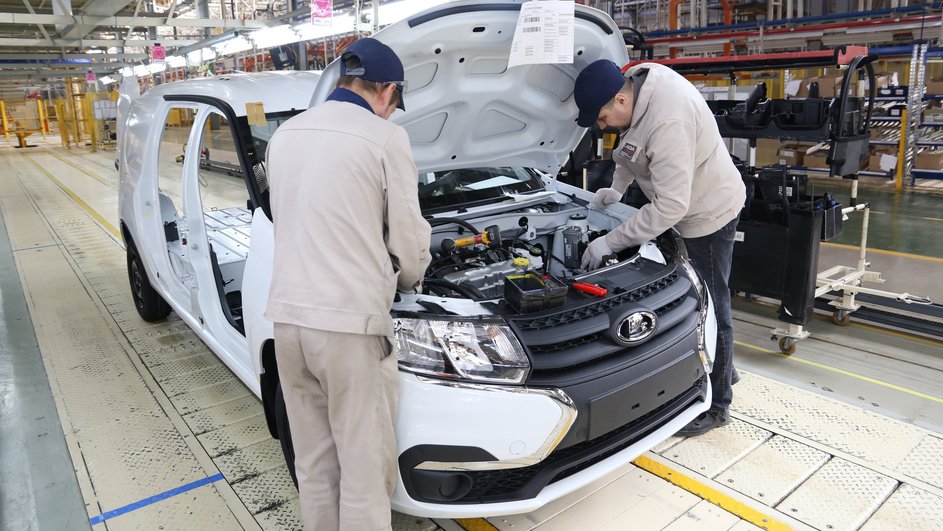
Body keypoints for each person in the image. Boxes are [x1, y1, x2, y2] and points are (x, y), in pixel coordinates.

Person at [264, 38, 432, 530]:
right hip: (348, 331)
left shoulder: (286, 134)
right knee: (364, 471)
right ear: (388, 90)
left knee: (315, 465)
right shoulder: (385, 140)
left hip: (288, 323)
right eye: (395, 103)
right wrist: (411, 276)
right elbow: (407, 242)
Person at [574, 59, 745, 436]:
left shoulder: (669, 120)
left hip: (709, 213)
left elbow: (671, 206)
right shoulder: (639, 83)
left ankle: (719, 402)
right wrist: (617, 188)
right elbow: (633, 146)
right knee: (700, 297)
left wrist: (609, 241)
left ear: (619, 99)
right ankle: (722, 364)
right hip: (685, 202)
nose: (601, 127)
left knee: (713, 304)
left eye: (602, 118)